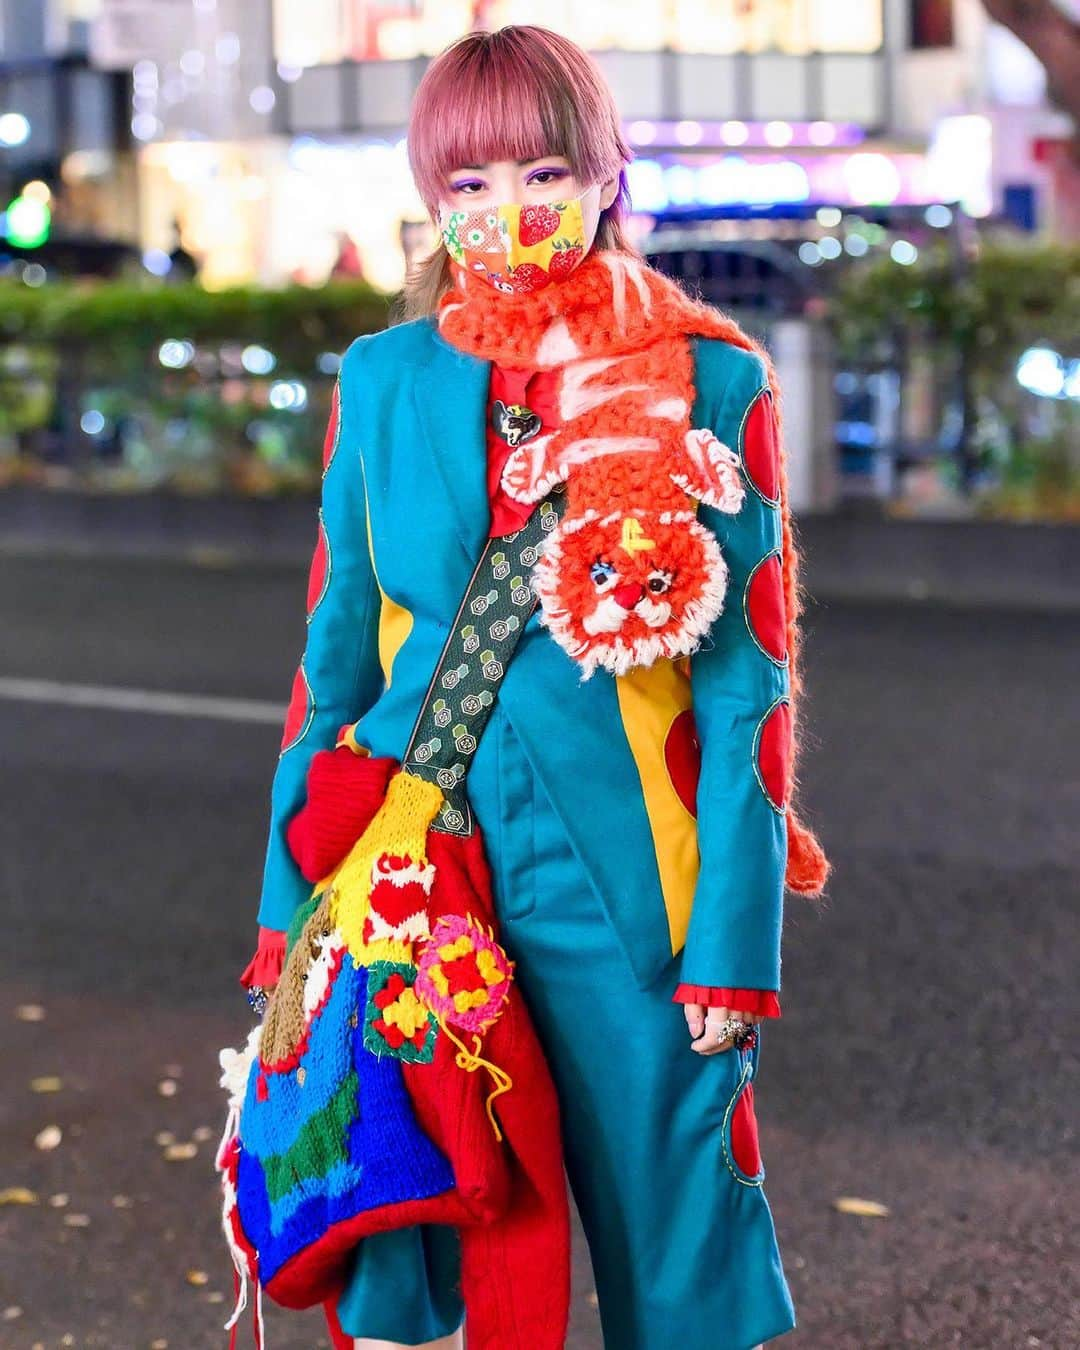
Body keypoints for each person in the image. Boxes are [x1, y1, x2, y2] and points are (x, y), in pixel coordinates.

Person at [240, 24, 828, 1350]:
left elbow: (746, 692)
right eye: (470, 185)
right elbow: (330, 668)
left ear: (604, 174)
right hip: (408, 864)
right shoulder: (384, 382)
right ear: (432, 197)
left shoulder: (709, 380)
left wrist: (735, 941)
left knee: (675, 1236)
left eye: (545, 173)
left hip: (632, 888)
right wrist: (289, 915)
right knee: (411, 1224)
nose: (510, 212)